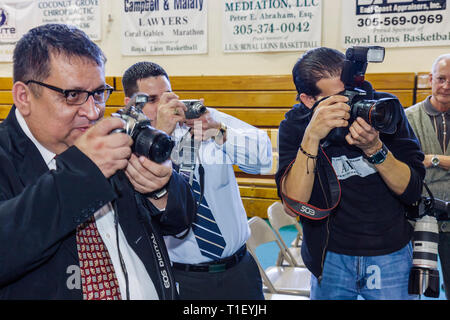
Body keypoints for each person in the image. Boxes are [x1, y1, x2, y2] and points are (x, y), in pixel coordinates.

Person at [0, 24, 194, 300]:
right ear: (24, 97)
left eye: (99, 93)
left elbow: (181, 220)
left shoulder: (110, 138)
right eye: (72, 95)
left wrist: (161, 189)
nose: (93, 112)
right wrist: (82, 174)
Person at [275, 47, 426, 300]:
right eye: (339, 99)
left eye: (352, 93)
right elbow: (294, 205)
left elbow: (412, 190)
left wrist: (375, 148)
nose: (352, 104)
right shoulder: (296, 124)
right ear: (309, 100)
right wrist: (312, 136)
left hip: (390, 252)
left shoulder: (383, 109)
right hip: (330, 255)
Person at [121, 61, 273, 300]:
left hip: (239, 270)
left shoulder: (203, 118)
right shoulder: (125, 144)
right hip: (182, 277)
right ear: (130, 104)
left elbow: (262, 158)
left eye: (167, 96)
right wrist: (162, 134)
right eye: (151, 100)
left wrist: (220, 131)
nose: (163, 106)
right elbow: (144, 201)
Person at [405, 54, 450, 299]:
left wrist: (431, 158)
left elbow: (420, 159)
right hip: (416, 217)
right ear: (431, 79)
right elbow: (406, 163)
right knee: (413, 289)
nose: (445, 86)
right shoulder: (407, 118)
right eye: (441, 79)